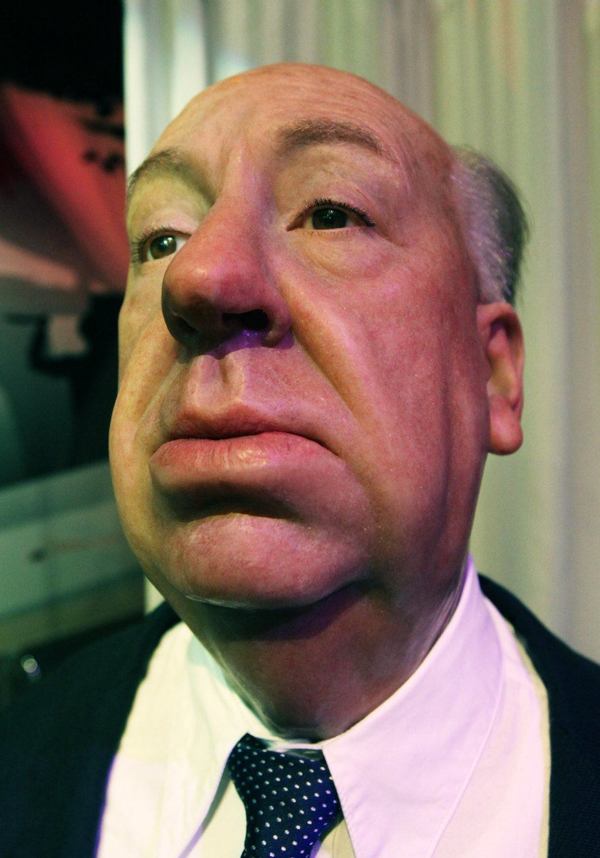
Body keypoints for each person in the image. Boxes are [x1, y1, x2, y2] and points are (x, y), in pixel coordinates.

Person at [1, 63, 599, 858]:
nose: (200, 277)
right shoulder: (20, 757)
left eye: (329, 214)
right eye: (162, 239)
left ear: (491, 375)